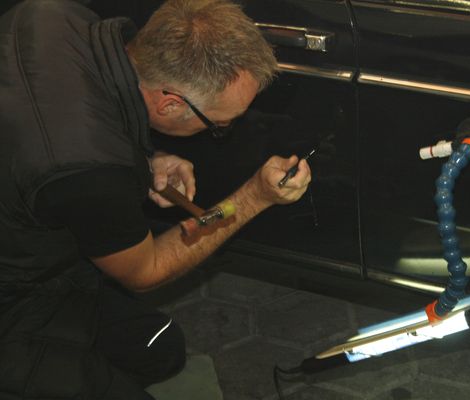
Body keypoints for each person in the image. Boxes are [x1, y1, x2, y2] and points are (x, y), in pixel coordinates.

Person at [0, 0, 311, 398]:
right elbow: (145, 271)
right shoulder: (90, 172)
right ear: (170, 104)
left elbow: (58, 121)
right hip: (16, 301)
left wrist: (143, 162)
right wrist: (255, 197)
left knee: (160, 352)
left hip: (35, 241)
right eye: (218, 125)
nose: (222, 130)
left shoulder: (48, 14)